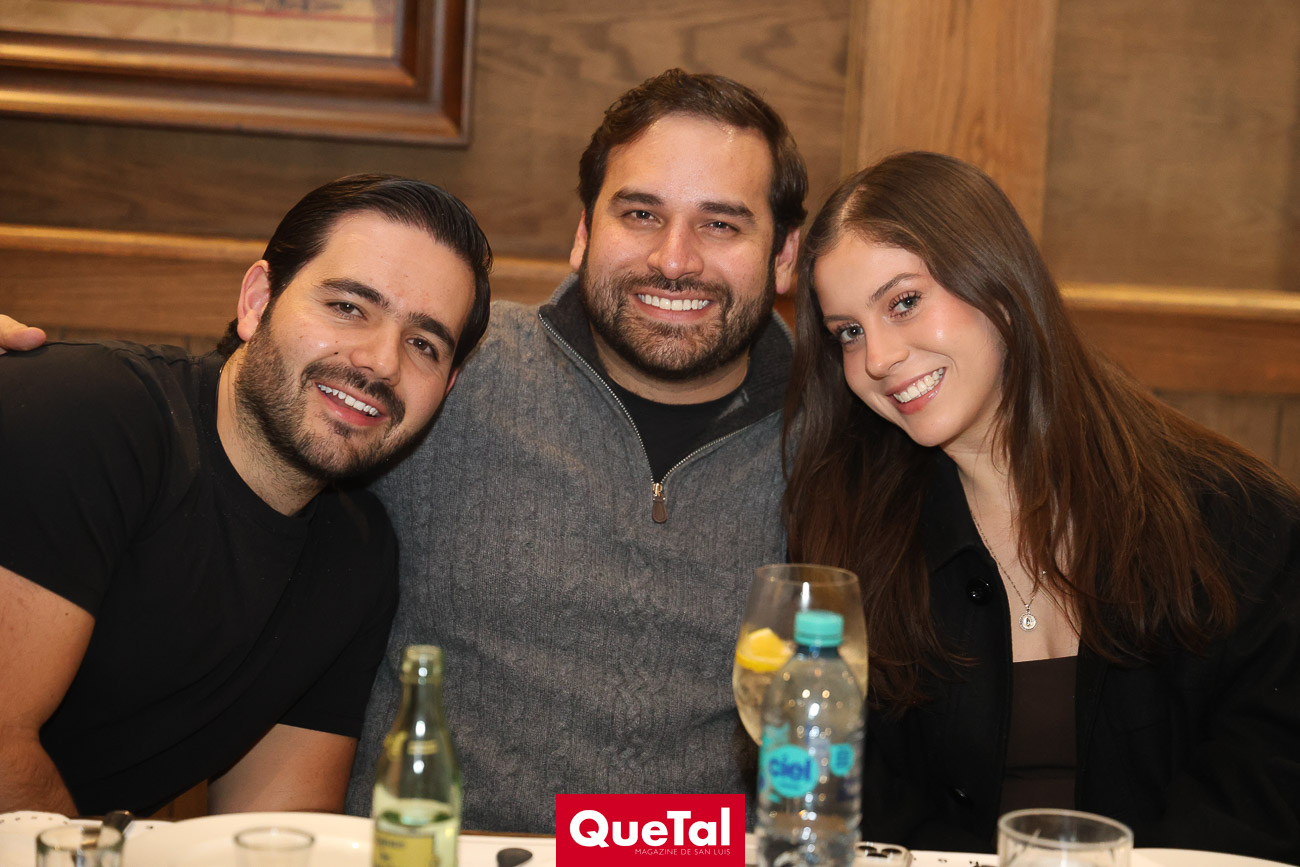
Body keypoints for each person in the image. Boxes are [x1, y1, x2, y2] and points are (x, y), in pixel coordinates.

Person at [784, 151, 1300, 860]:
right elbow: (845, 796)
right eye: (849, 331)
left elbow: (1263, 795)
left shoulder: (1237, 520)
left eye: (903, 302)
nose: (877, 358)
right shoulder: (850, 532)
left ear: (998, 281)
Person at [343, 68, 807, 831]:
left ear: (784, 255)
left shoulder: (838, 437)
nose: (675, 260)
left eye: (721, 225)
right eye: (641, 214)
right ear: (584, 231)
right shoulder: (447, 371)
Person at [0, 174, 492, 817]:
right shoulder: (83, 416)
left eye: (424, 345)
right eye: (348, 307)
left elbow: (277, 837)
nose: (380, 361)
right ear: (258, 301)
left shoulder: (358, 556)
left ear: (446, 388)